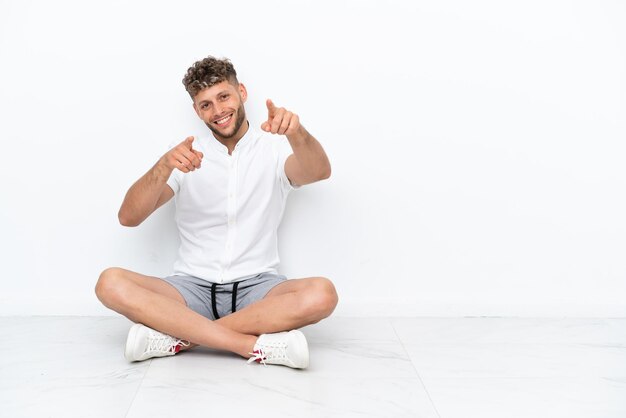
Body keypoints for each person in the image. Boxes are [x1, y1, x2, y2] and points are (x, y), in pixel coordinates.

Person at [95, 56, 337, 369]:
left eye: (224, 96)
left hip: (258, 289)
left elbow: (318, 171)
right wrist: (163, 165)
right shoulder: (184, 155)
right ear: (197, 111)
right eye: (206, 104)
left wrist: (297, 131)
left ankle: (180, 338)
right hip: (189, 289)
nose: (218, 111)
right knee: (109, 282)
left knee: (322, 294)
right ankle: (249, 345)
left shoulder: (274, 148)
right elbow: (129, 217)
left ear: (242, 93)